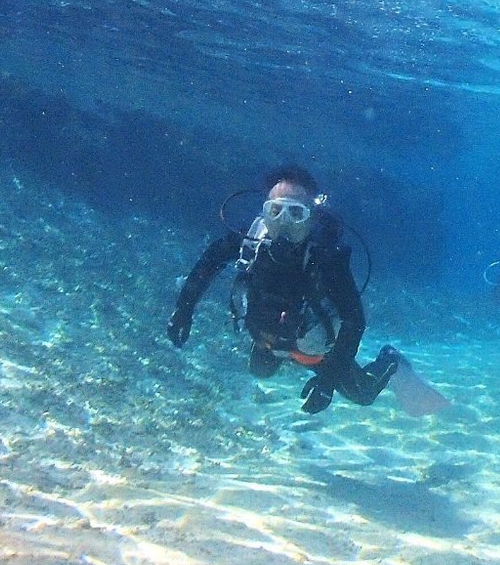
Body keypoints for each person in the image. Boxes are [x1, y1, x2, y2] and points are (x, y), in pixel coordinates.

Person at [166, 164, 400, 414]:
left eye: (296, 214)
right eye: (275, 211)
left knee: (364, 394)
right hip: (270, 339)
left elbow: (354, 320)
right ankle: (278, 348)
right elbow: (209, 263)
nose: (283, 223)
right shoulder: (250, 243)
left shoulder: (327, 259)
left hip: (315, 351)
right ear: (264, 213)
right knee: (260, 370)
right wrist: (183, 310)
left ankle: (390, 359)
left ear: (311, 218)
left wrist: (328, 381)